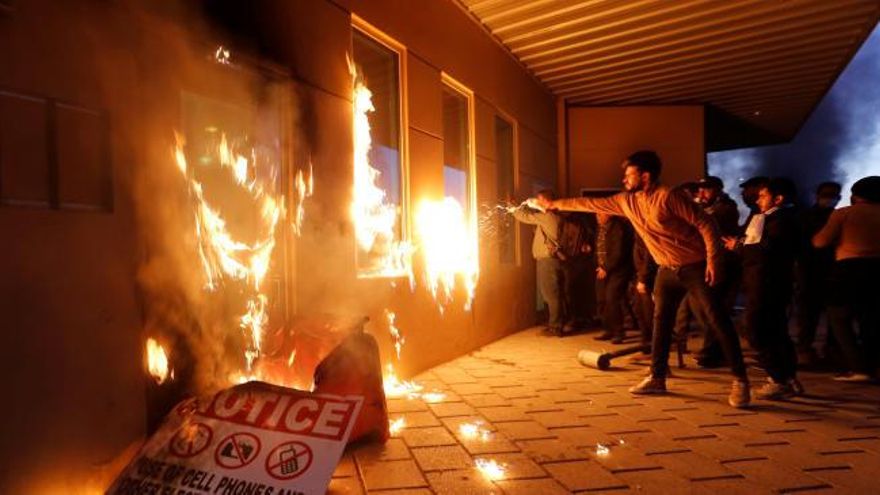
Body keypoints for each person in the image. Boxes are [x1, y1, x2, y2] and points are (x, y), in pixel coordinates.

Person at [534, 150, 751, 408]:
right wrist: (555, 204)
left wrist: (714, 261)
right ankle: (657, 377)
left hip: (694, 267)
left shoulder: (669, 197)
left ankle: (740, 380)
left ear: (645, 176)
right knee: (661, 321)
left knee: (716, 318)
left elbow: (706, 224)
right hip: (666, 270)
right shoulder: (626, 201)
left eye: (629, 175)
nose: (624, 179)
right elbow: (590, 204)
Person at [724, 178, 802, 399]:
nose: (758, 199)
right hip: (761, 282)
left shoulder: (782, 220)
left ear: (778, 199)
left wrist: (738, 247)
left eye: (763, 195)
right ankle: (789, 377)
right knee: (777, 331)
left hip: (768, 283)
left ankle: (778, 378)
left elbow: (765, 251)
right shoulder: (766, 218)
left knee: (754, 328)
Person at [813, 176, 880, 382]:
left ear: (856, 195)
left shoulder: (844, 213)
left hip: (848, 270)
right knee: (871, 320)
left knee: (839, 318)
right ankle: (874, 366)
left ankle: (857, 367)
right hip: (877, 270)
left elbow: (820, 242)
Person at [688, 176, 742, 368]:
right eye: (700, 190)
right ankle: (716, 349)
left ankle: (714, 353)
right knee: (704, 309)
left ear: (718, 189)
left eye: (707, 190)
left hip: (724, 264)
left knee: (715, 308)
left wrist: (693, 209)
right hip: (707, 262)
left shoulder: (726, 207)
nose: (701, 194)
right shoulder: (706, 207)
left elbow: (705, 223)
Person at [795, 181, 841, 365]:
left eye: (834, 195)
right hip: (810, 269)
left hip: (831, 270)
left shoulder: (836, 215)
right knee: (808, 314)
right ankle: (806, 350)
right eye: (827, 194)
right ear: (818, 195)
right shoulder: (806, 216)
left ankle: (829, 349)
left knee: (832, 314)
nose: (830, 198)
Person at [512, 189, 565, 336]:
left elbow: (524, 217)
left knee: (551, 295)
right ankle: (554, 325)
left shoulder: (547, 217)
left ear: (547, 202)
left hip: (547, 260)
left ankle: (555, 327)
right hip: (549, 260)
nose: (536, 202)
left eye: (539, 200)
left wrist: (513, 207)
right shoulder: (552, 217)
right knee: (552, 294)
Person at [594, 212, 634, 343]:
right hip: (602, 269)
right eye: (596, 215)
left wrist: (606, 267)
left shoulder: (617, 228)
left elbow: (618, 251)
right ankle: (608, 329)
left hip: (617, 269)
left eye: (600, 215)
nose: (598, 217)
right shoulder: (600, 228)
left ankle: (618, 332)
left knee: (612, 298)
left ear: (608, 214)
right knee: (602, 299)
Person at [633, 234, 657, 350]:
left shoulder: (645, 234)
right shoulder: (638, 233)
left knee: (648, 311)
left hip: (647, 277)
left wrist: (643, 279)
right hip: (640, 275)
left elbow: (649, 258)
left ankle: (652, 341)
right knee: (639, 309)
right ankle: (646, 339)